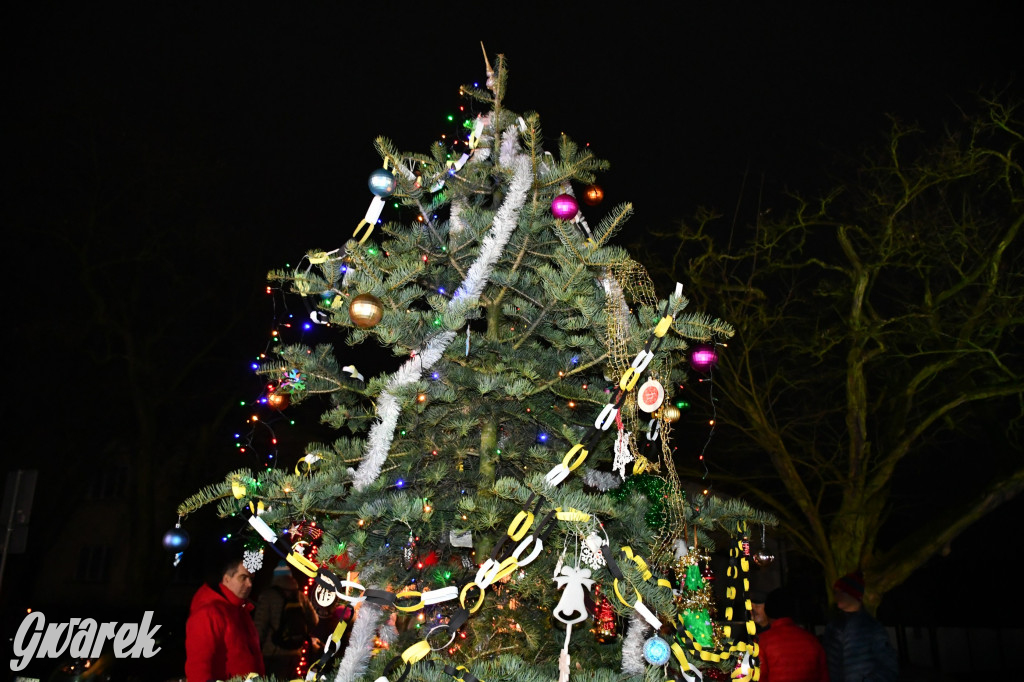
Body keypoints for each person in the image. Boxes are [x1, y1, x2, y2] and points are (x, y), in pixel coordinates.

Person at [184, 555, 265, 682]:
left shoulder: (241, 611)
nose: (249, 584)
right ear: (227, 579)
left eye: (251, 579)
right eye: (243, 578)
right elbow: (198, 666)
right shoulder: (209, 613)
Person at [822, 570, 898, 682]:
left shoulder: (871, 627)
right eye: (836, 592)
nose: (837, 596)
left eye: (841, 592)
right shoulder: (833, 627)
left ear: (854, 594)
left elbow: (888, 667)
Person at [756, 587, 828, 681]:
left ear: (767, 612)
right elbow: (824, 676)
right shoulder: (812, 640)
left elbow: (759, 677)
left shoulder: (761, 642)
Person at [253, 562, 309, 680]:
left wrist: (256, 648)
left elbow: (259, 626)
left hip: (272, 653)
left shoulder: (268, 595)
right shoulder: (300, 596)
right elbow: (314, 620)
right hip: (295, 652)